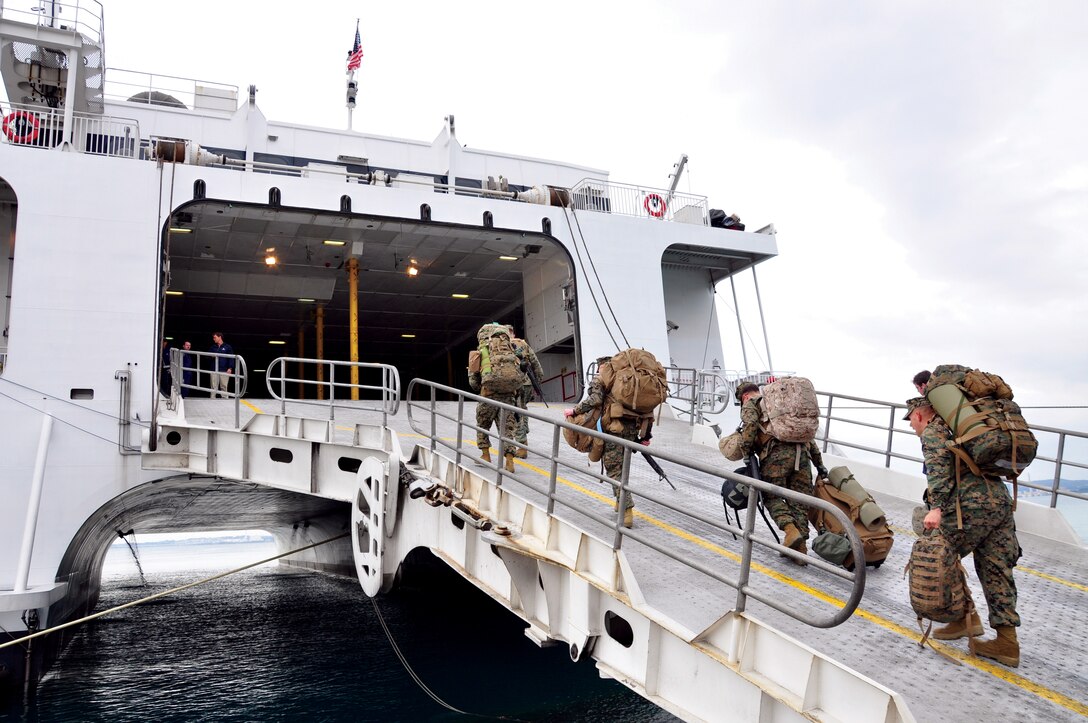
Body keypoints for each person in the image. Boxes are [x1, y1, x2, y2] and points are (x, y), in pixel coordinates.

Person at [904, 396, 1022, 667]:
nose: (911, 425)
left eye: (910, 419)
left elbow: (938, 472)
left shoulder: (934, 430)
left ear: (920, 415)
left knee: (941, 553)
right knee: (996, 567)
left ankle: (962, 619)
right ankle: (1007, 642)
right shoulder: (966, 429)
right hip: (999, 502)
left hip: (970, 504)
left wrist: (936, 508)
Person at [735, 382, 826, 564]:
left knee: (771, 496)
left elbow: (751, 426)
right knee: (800, 501)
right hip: (803, 456)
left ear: (744, 396)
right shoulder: (780, 405)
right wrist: (820, 465)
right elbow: (809, 439)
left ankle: (790, 530)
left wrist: (746, 452)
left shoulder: (752, 404)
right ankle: (799, 552)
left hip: (776, 456)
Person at [564, 355, 648, 528]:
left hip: (613, 431)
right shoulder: (630, 379)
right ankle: (619, 502)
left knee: (614, 470)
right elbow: (647, 409)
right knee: (622, 466)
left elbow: (595, 400)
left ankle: (627, 511)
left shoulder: (601, 378)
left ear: (600, 366)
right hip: (632, 430)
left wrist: (574, 410)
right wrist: (646, 436)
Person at [468, 327, 522, 472]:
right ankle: (509, 461)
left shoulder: (479, 352)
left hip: (488, 396)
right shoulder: (512, 350)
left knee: (483, 425)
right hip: (508, 396)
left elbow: (474, 383)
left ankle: (485, 455)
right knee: (507, 429)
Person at [507, 326, 544, 459]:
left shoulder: (504, 346)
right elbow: (535, 363)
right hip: (528, 383)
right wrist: (538, 381)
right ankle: (525, 432)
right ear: (514, 333)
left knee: (517, 414)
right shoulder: (523, 344)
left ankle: (522, 446)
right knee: (522, 408)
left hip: (515, 384)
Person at [208, 332, 234, 398]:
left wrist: (230, 368)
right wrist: (211, 356)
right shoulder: (213, 347)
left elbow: (231, 358)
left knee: (224, 386)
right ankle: (212, 400)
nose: (213, 339)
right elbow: (207, 356)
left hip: (224, 369)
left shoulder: (227, 347)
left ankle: (225, 400)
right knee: (213, 386)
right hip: (214, 369)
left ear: (220, 337)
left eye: (215, 337)